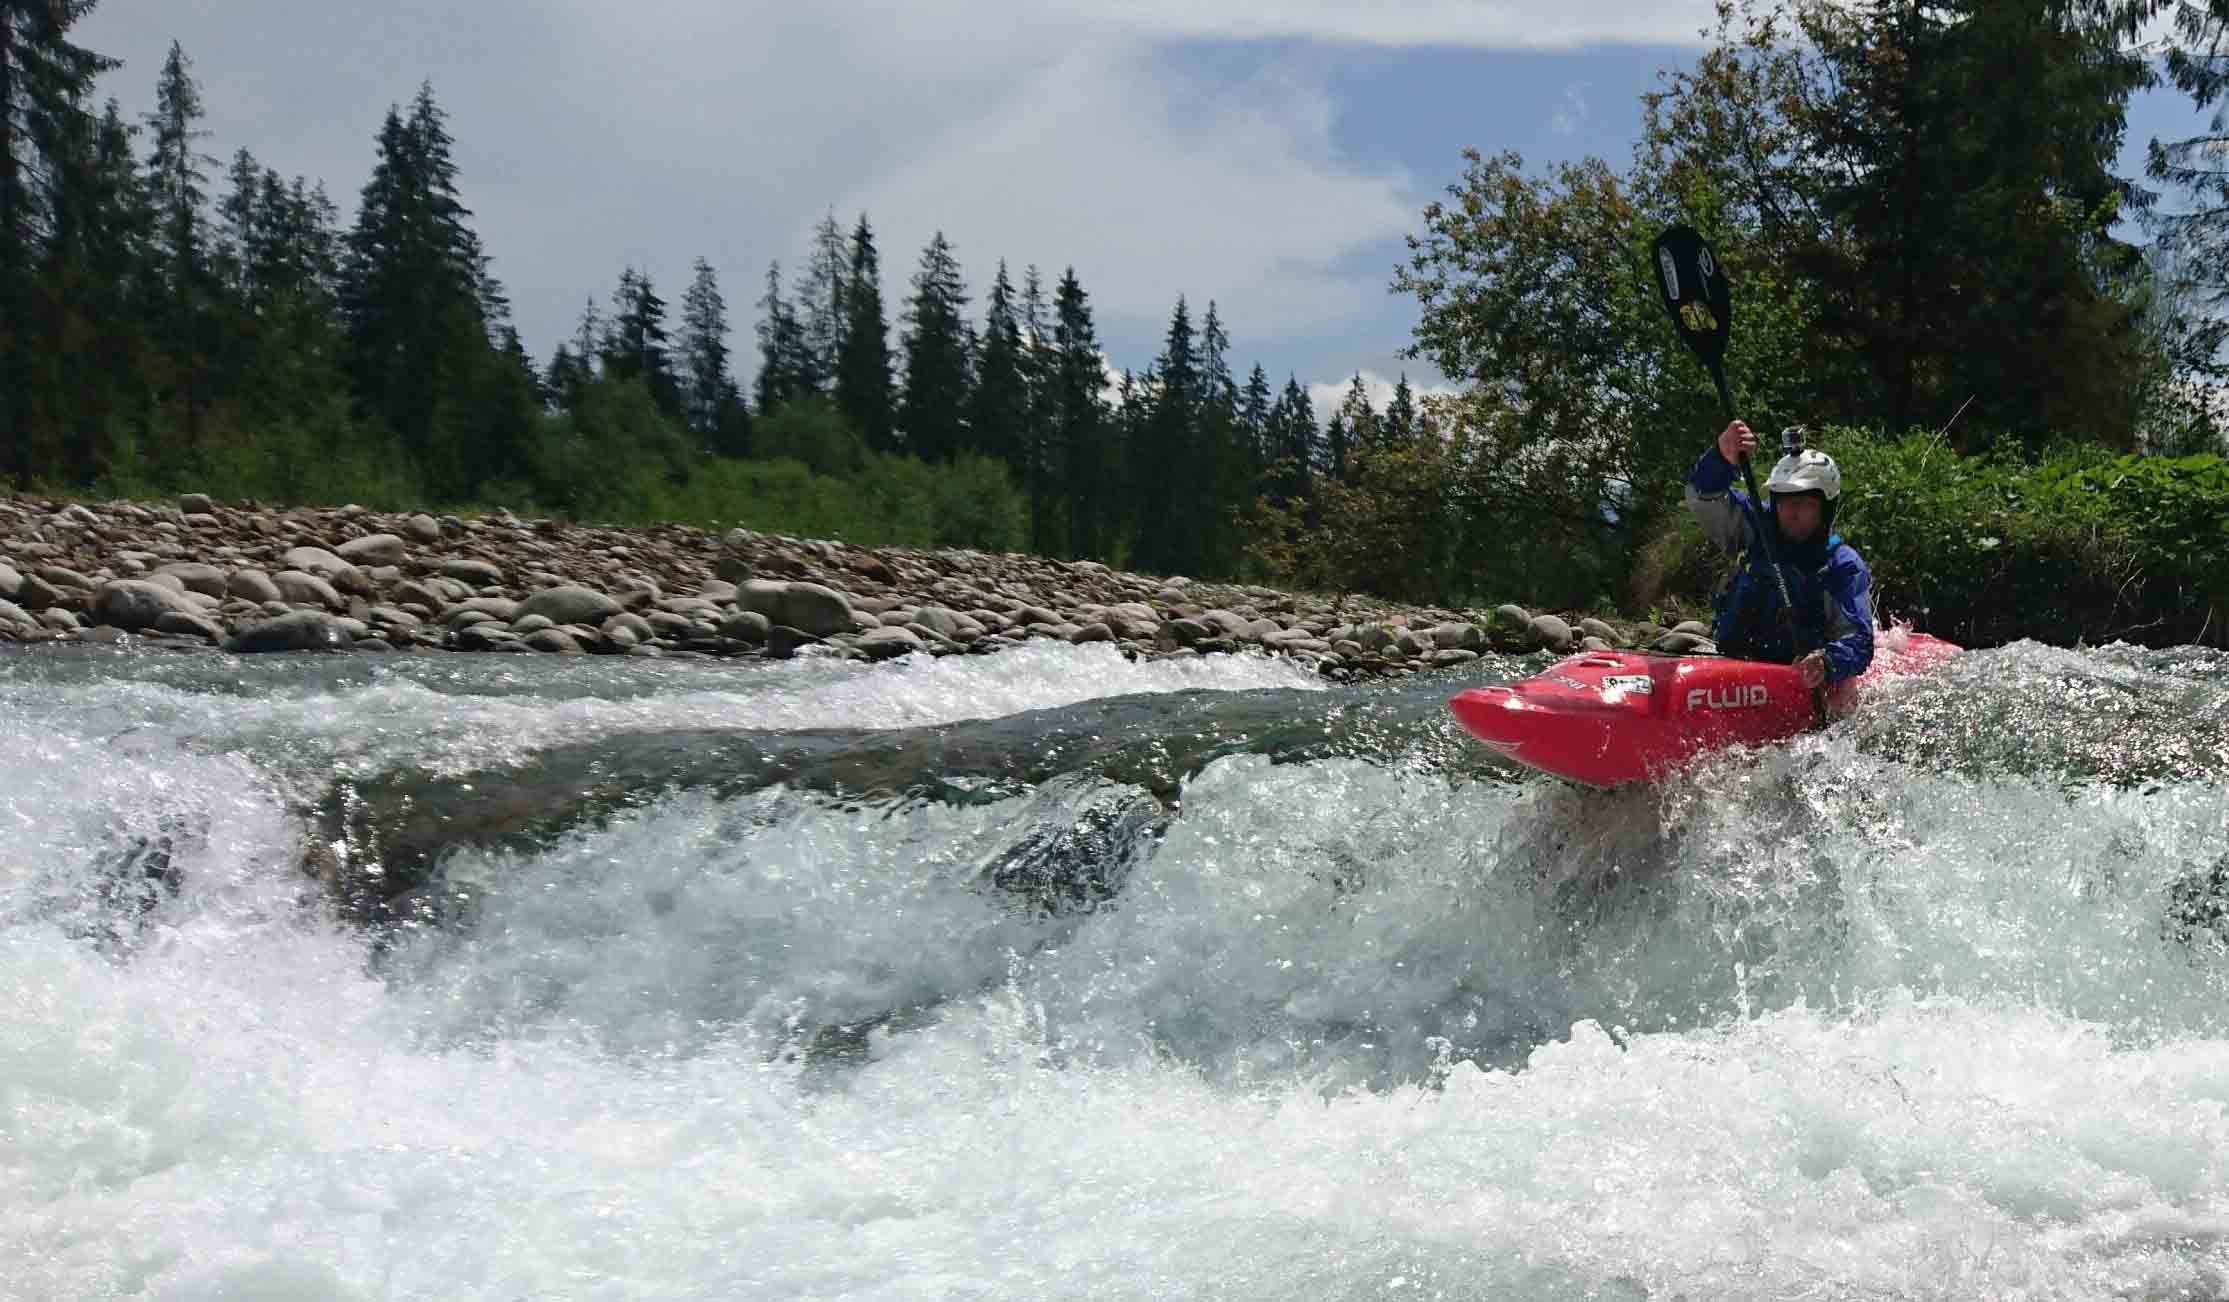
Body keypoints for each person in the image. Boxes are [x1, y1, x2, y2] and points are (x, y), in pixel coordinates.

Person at [1683, 421, 1874, 687]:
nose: (1792, 512)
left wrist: (1826, 661)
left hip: (1800, 679)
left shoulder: (1842, 565)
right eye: (1785, 501)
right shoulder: (1756, 527)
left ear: (1825, 510)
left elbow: (1859, 640)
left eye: (1805, 504)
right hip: (1736, 664)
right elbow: (1703, 497)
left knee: (1841, 687)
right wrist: (1721, 457)